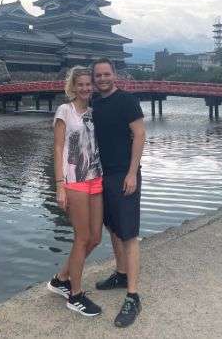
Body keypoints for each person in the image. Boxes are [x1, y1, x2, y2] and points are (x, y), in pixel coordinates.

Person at [90, 57, 146, 328]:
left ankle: (133, 296)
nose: (102, 79)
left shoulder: (127, 100)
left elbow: (139, 135)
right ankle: (121, 273)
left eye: (106, 74)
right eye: (98, 75)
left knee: (129, 234)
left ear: (115, 75)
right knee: (113, 227)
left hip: (125, 174)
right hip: (103, 175)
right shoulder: (95, 103)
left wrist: (132, 172)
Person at [46, 66, 104, 317]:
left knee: (95, 238)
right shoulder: (64, 111)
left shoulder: (94, 111)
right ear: (73, 86)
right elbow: (58, 148)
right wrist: (60, 184)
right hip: (75, 179)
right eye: (80, 84)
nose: (85, 88)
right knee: (82, 238)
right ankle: (75, 295)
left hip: (96, 177)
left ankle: (60, 279)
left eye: (88, 84)